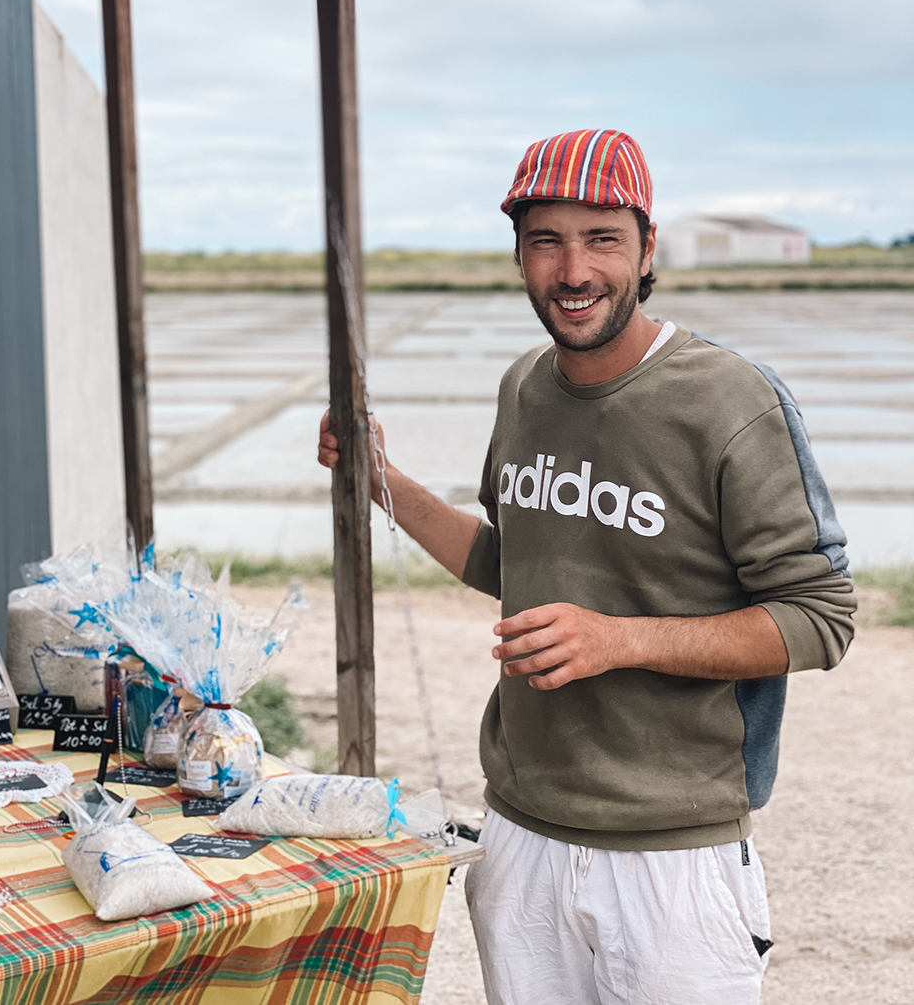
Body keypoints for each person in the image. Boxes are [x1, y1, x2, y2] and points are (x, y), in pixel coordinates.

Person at [317, 128, 855, 1005]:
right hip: (520, 834)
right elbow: (512, 559)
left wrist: (618, 638)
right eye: (546, 240)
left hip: (671, 854)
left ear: (648, 248)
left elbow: (821, 616)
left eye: (602, 237)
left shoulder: (728, 399)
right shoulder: (525, 385)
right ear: (520, 256)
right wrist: (382, 481)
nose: (573, 269)